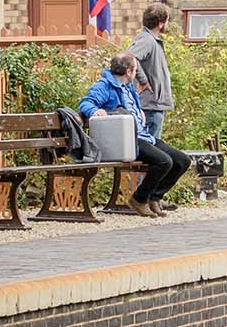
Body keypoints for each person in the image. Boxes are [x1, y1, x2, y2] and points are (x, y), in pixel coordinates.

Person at [80, 52, 190, 216]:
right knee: (164, 161)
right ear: (129, 71)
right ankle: (139, 199)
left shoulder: (128, 87)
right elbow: (85, 102)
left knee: (182, 161)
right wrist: (95, 110)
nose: (136, 74)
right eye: (136, 70)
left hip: (144, 136)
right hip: (126, 140)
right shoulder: (105, 86)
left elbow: (133, 107)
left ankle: (154, 196)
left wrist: (139, 112)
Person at [126, 3, 177, 210]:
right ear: (161, 22)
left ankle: (151, 198)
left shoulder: (153, 41)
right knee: (154, 158)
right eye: (167, 20)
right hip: (151, 106)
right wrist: (144, 80)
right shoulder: (146, 40)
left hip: (157, 105)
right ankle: (142, 198)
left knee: (158, 156)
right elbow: (128, 57)